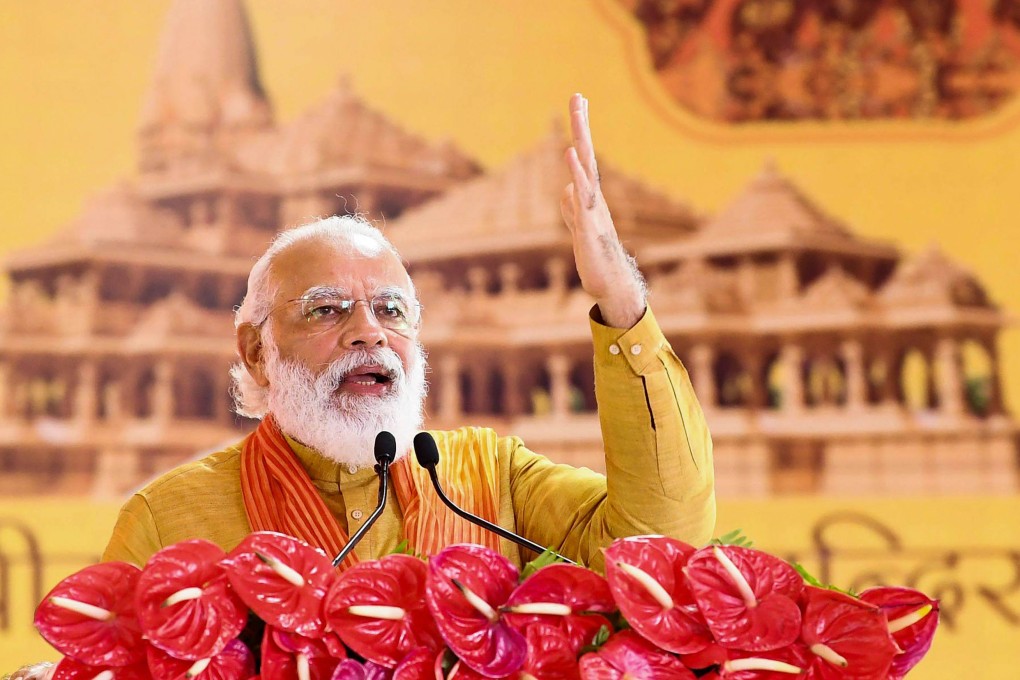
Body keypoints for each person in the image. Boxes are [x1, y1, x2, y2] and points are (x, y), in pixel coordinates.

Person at [102, 94, 715, 572]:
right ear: (257, 352)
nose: (368, 333)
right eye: (326, 310)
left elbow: (659, 546)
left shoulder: (490, 480)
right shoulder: (169, 521)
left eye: (392, 310)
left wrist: (620, 300)